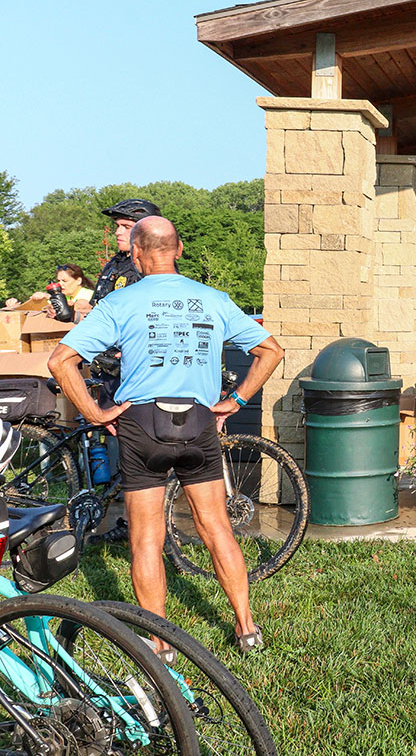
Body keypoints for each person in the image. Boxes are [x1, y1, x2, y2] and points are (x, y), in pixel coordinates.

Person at [48, 216, 283, 654]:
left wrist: (96, 414)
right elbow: (271, 350)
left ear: (135, 254)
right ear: (178, 251)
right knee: (216, 528)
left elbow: (62, 361)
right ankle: (247, 628)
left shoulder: (119, 303)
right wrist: (236, 401)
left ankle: (159, 643)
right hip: (197, 421)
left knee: (146, 539)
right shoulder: (213, 299)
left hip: (141, 426)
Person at [92, 199, 162, 305]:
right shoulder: (115, 262)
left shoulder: (155, 266)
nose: (117, 232)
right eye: (117, 226)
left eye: (126, 227)